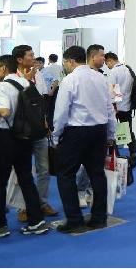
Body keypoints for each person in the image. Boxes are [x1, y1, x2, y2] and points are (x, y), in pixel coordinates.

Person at [0, 54, 50, 237]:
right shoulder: (26, 83)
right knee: (26, 178)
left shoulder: (2, 86)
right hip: (26, 136)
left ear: (4, 68)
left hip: (6, 137)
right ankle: (36, 221)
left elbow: (5, 111)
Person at [52, 45, 116, 233]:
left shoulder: (69, 80)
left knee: (66, 175)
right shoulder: (100, 78)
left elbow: (61, 112)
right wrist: (110, 134)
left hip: (76, 132)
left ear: (70, 61)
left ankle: (75, 220)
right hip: (99, 131)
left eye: (65, 62)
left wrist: (56, 135)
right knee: (97, 174)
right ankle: (99, 218)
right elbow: (109, 109)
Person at [11, 45, 57, 222]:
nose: (34, 58)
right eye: (30, 55)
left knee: (44, 169)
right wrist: (26, 81)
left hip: (39, 129)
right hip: (21, 131)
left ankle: (42, 203)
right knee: (23, 171)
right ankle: (23, 206)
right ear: (20, 59)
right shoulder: (12, 78)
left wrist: (46, 122)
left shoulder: (38, 75)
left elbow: (42, 100)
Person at [105, 52, 136, 185]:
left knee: (113, 132)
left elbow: (113, 90)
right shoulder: (128, 69)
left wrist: (114, 106)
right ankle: (133, 154)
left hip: (117, 107)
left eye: (107, 63)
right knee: (127, 130)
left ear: (110, 61)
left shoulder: (114, 72)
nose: (107, 66)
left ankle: (116, 157)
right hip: (127, 106)